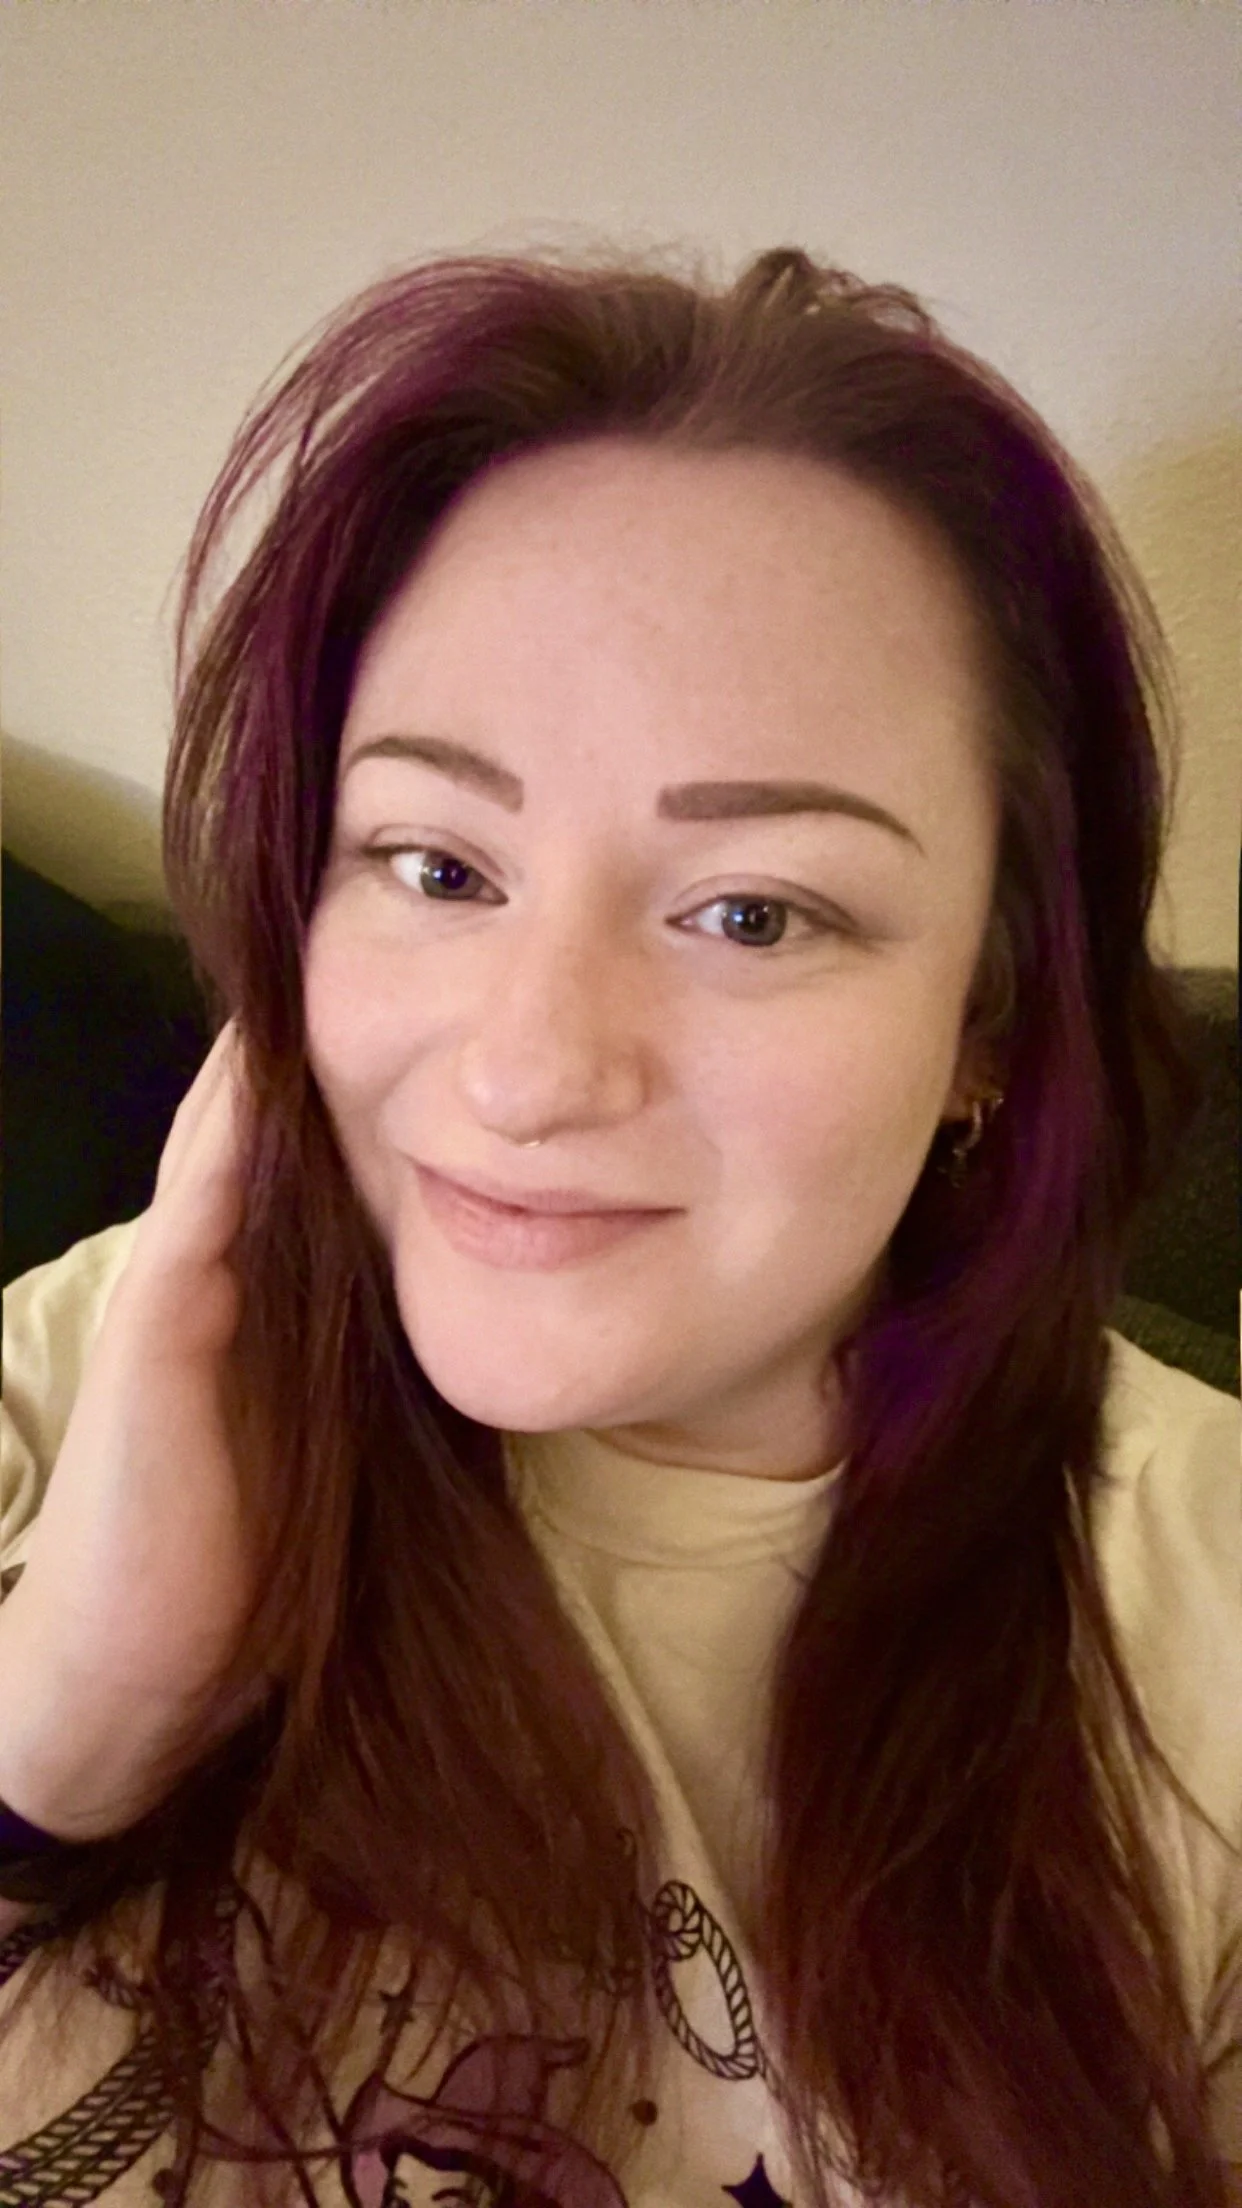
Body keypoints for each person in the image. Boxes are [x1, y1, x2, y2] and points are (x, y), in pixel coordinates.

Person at [0, 241, 1237, 2208]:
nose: (530, 1067)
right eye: (434, 863)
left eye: (749, 912)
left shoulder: (1203, 1621)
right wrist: (66, 1730)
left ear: (990, 1017)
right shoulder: (53, 1400)